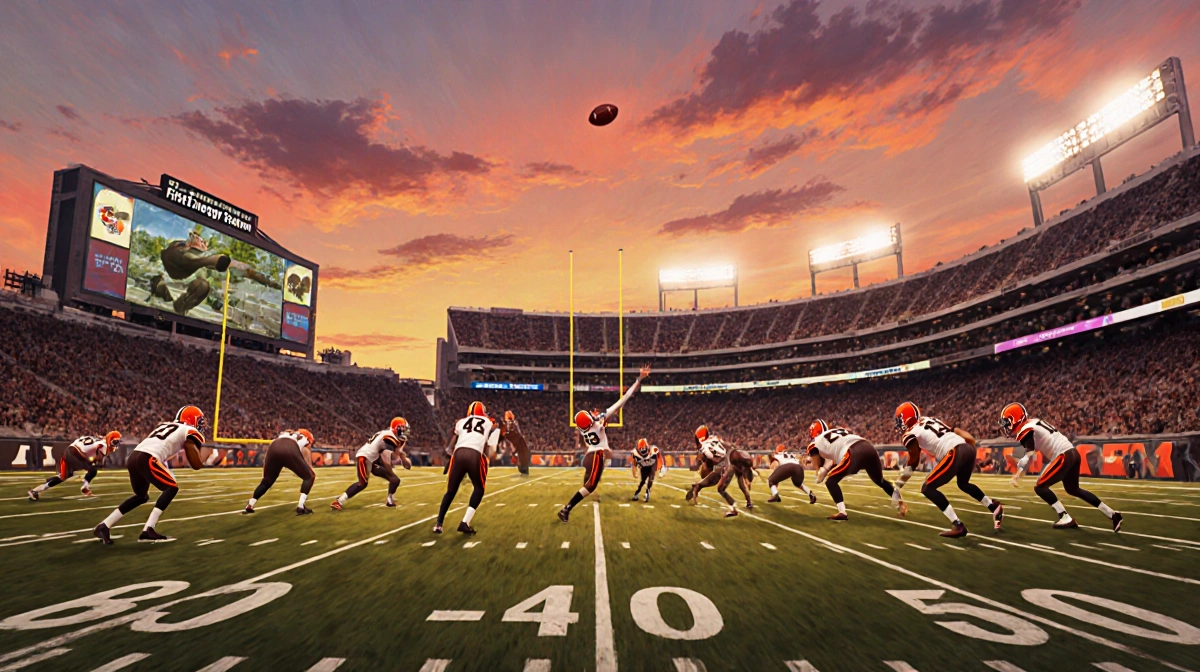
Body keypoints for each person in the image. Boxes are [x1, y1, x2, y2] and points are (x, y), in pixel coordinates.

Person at [93, 406, 205, 544]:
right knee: (171, 488)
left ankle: (104, 525)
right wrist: (199, 459)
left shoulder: (166, 425)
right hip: (147, 457)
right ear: (192, 420)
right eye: (199, 421)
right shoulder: (189, 430)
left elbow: (161, 450)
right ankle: (148, 529)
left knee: (141, 496)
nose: (201, 425)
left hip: (134, 456)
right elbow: (195, 462)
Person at [1003, 403, 1122, 532]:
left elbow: (1029, 454)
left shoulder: (1026, 429)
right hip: (1072, 452)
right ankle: (1112, 514)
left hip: (1063, 455)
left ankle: (1065, 517)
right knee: (1073, 489)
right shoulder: (1035, 422)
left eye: (1007, 422)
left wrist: (1017, 472)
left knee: (1040, 487)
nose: (1007, 426)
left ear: (1015, 419)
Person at [893, 402, 1003, 538]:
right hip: (966, 447)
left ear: (906, 418)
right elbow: (955, 431)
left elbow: (914, 461)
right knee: (963, 484)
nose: (898, 424)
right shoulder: (930, 420)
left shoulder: (910, 433)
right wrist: (969, 449)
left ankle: (958, 525)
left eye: (900, 419)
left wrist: (899, 484)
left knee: (928, 488)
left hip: (954, 451)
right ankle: (993, 506)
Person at [558, 365, 651, 523]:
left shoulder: (584, 429)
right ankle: (566, 509)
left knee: (591, 483)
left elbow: (592, 422)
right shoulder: (598, 422)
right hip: (597, 454)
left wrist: (600, 419)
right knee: (591, 485)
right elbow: (624, 398)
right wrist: (639, 379)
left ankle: (569, 507)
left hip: (590, 455)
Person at [808, 419, 906, 521]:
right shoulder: (839, 431)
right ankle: (901, 503)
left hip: (853, 452)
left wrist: (820, 471)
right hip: (869, 448)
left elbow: (818, 470)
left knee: (831, 481)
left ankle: (842, 512)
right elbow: (835, 455)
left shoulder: (815, 442)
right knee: (879, 480)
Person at [435, 401, 500, 534]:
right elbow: (494, 427)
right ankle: (465, 522)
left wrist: (449, 451)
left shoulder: (461, 422)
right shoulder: (488, 421)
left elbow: (456, 434)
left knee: (451, 491)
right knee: (479, 488)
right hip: (474, 454)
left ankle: (439, 524)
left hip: (458, 453)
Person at [331, 418, 411, 510]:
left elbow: (400, 461)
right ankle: (339, 501)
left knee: (395, 480)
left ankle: (390, 500)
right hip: (365, 457)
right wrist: (391, 472)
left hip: (373, 459)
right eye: (404, 429)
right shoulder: (389, 437)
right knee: (362, 483)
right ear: (397, 428)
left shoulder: (391, 436)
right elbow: (386, 459)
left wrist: (401, 453)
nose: (405, 432)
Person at [28, 431, 121, 500]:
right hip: (76, 454)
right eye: (114, 442)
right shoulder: (103, 445)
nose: (115, 445)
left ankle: (36, 490)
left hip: (69, 451)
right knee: (93, 469)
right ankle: (85, 486)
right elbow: (99, 455)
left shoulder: (100, 440)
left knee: (64, 476)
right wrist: (97, 462)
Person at [244, 429, 317, 515]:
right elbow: (306, 452)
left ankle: (250, 504)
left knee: (267, 480)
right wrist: (309, 470)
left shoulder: (288, 433)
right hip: (289, 447)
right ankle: (301, 506)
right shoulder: (305, 438)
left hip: (273, 446)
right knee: (310, 476)